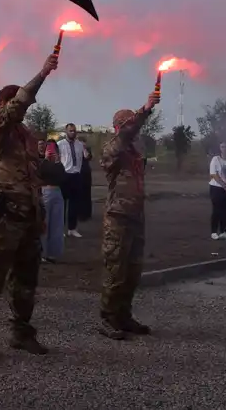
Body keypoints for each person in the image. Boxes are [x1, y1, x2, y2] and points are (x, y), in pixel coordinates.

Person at [0, 54, 58, 364]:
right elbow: (19, 103)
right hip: (3, 216)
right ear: (6, 103)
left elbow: (33, 178)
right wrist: (43, 71)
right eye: (17, 104)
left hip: (28, 216)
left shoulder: (26, 137)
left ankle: (22, 332)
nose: (24, 110)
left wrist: (40, 214)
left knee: (26, 280)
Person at [98, 91, 161, 340]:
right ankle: (107, 318)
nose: (134, 129)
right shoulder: (112, 148)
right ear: (119, 127)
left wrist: (144, 113)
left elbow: (131, 133)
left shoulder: (134, 150)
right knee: (116, 271)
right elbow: (125, 134)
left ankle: (124, 316)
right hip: (117, 217)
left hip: (135, 216)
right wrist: (144, 108)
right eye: (129, 124)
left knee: (133, 272)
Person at [37, 140, 67, 263]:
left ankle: (52, 253)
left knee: (57, 225)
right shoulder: (39, 162)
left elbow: (63, 178)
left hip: (57, 192)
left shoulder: (58, 164)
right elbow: (39, 174)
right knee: (44, 223)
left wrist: (58, 162)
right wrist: (45, 160)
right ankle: (42, 253)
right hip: (45, 191)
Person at [58, 123, 88, 238]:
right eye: (70, 131)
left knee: (74, 204)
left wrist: (86, 150)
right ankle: (61, 229)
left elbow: (86, 157)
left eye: (74, 130)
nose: (73, 132)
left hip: (76, 175)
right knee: (63, 204)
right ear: (66, 131)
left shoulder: (80, 144)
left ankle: (72, 228)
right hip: (65, 175)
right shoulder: (60, 144)